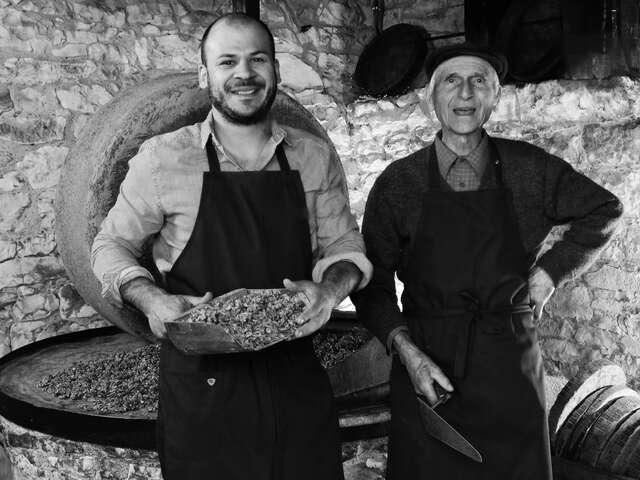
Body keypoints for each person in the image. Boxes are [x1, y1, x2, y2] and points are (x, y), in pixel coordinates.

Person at [91, 13, 372, 480]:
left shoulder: (313, 156)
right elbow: (110, 245)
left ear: (275, 71)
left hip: (294, 379)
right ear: (206, 75)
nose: (244, 73)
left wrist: (330, 291)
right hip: (204, 390)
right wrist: (153, 299)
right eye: (227, 61)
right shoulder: (163, 158)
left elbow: (343, 243)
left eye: (257, 59)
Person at [352, 43, 623, 480]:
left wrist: (550, 274)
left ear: (494, 97)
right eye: (451, 81)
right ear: (431, 98)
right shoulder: (398, 183)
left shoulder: (530, 169)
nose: (465, 93)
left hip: (507, 366)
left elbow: (605, 209)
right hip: (427, 366)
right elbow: (373, 283)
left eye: (478, 81)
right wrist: (405, 350)